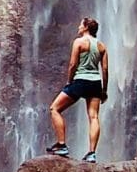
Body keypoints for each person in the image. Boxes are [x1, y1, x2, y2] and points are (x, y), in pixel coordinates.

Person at [46, 17, 108, 162]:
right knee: (93, 117)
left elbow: (73, 64)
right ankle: (92, 153)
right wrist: (104, 90)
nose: (78, 27)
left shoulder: (79, 42)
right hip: (95, 83)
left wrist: (69, 82)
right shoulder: (101, 46)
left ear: (86, 27)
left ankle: (61, 145)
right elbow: (104, 69)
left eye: (80, 24)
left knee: (55, 108)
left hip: (80, 81)